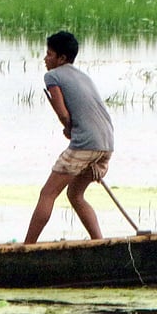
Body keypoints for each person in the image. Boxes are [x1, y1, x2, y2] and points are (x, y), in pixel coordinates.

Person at [24, 31, 114, 244]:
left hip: (85, 143)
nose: (45, 59)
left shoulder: (52, 76)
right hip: (106, 143)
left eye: (49, 54)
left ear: (61, 58)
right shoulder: (83, 76)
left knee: (48, 193)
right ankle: (99, 243)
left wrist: (68, 127)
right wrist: (72, 128)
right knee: (75, 195)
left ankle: (26, 247)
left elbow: (63, 113)